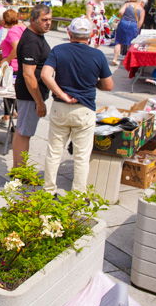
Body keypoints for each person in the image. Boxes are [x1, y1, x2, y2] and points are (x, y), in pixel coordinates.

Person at [41, 18, 113, 193]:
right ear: (91, 35)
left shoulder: (58, 50)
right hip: (84, 108)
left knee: (54, 152)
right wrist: (93, 82)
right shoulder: (97, 55)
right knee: (81, 156)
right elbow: (108, 85)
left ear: (69, 32)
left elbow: (45, 75)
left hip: (61, 107)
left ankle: (49, 190)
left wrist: (62, 94)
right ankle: (78, 194)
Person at [12, 4, 52, 168]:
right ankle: (20, 172)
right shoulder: (31, 42)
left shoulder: (36, 36)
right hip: (30, 94)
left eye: (50, 19)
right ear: (33, 20)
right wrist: (39, 102)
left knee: (23, 131)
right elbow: (28, 74)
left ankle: (19, 169)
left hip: (30, 93)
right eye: (44, 20)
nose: (48, 23)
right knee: (24, 133)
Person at [0, 9, 25, 126]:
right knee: (13, 93)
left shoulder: (12, 31)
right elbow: (6, 42)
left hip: (13, 67)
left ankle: (10, 119)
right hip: (19, 66)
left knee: (8, 92)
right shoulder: (21, 27)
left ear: (4, 21)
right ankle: (13, 117)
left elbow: (16, 47)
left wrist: (7, 59)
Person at [111, 0, 146, 66]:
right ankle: (129, 61)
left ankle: (115, 59)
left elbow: (120, 12)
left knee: (118, 42)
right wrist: (137, 29)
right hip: (133, 25)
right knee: (131, 44)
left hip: (123, 23)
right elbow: (140, 22)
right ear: (141, 0)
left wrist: (122, 17)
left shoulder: (127, 4)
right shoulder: (142, 9)